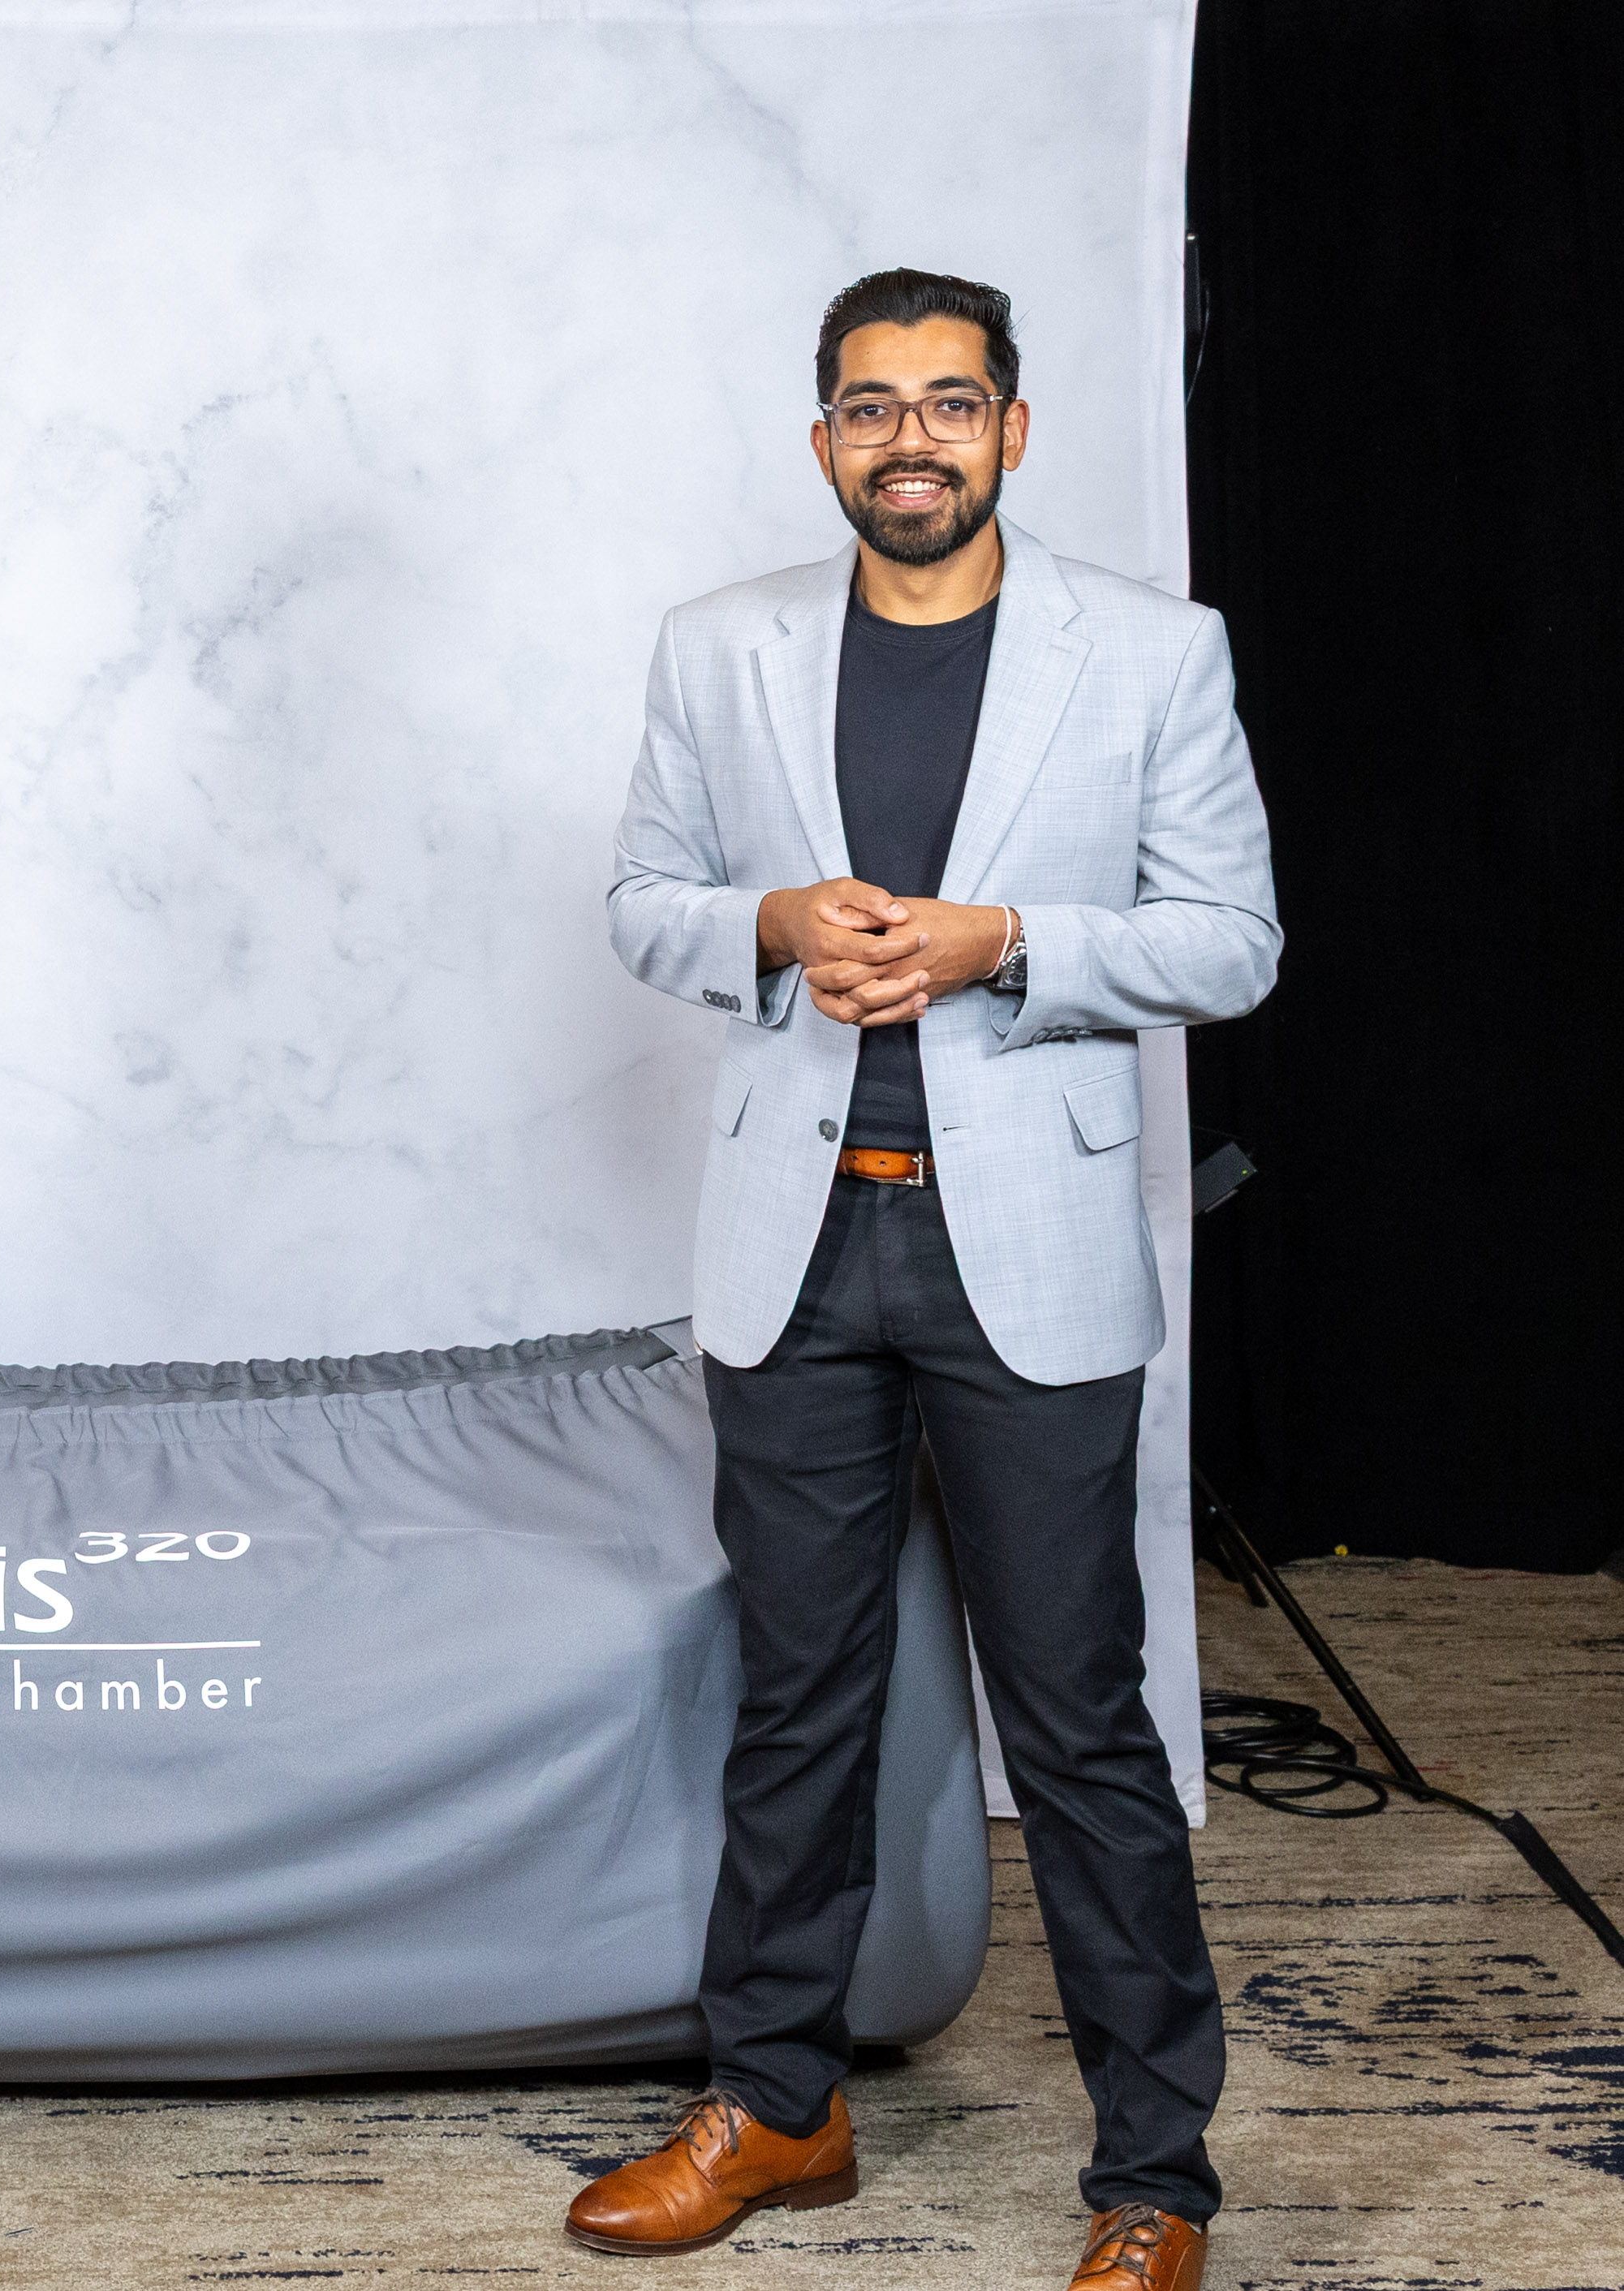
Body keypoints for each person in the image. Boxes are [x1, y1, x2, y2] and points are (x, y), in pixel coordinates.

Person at [592, 271, 1278, 2290]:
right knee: (794, 1699)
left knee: (1072, 1719)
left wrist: (1007, 943)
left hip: (1027, 1254)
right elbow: (640, 902)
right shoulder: (715, 645)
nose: (910, 438)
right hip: (791, 1246)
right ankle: (774, 2101)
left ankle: (1150, 2178)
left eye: (948, 402)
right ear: (823, 438)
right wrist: (766, 920)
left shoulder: (1148, 651)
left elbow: (1228, 941)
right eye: (871, 405)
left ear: (1010, 429)